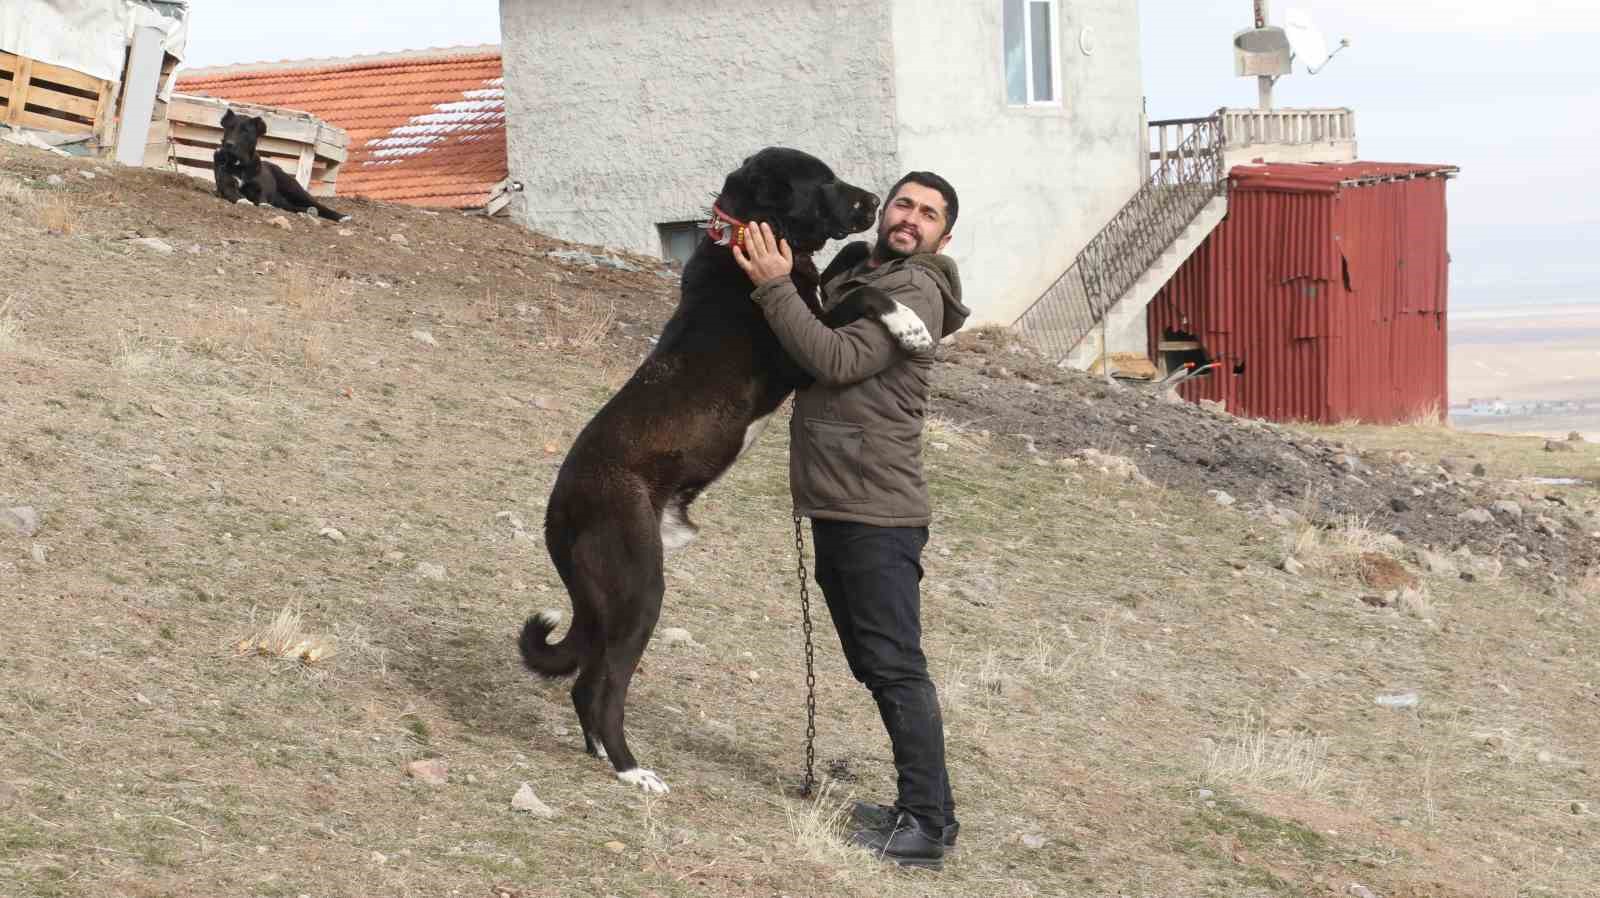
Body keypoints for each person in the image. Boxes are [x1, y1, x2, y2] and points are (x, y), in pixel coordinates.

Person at [733, 171, 969, 870]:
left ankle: (925, 826)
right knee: (879, 666)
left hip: (878, 511)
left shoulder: (917, 288)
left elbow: (836, 358)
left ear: (942, 236)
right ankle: (928, 812)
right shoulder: (860, 273)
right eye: (904, 203)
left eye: (928, 214)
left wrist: (776, 284)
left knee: (895, 669)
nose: (911, 218)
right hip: (845, 501)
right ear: (885, 209)